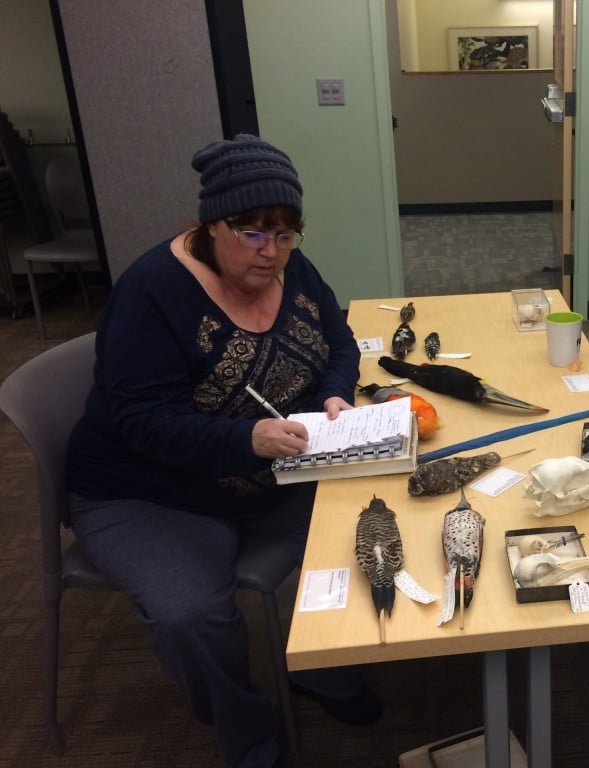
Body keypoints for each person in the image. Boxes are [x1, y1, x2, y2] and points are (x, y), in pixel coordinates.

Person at [66, 134, 379, 768]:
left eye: (287, 234)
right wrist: (246, 438)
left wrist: (335, 398)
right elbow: (144, 423)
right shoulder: (152, 291)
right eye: (254, 234)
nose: (272, 252)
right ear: (212, 224)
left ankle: (315, 663)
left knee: (366, 519)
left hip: (270, 469)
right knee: (190, 616)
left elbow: (338, 340)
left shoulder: (291, 268)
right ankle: (248, 731)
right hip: (148, 491)